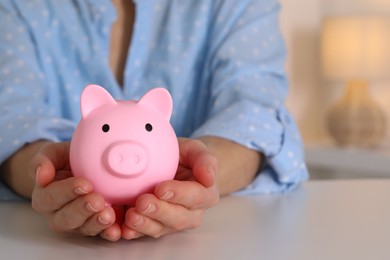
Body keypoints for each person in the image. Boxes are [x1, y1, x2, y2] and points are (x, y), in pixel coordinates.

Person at [0, 0, 308, 241]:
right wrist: (45, 174)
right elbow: (9, 118)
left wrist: (203, 173)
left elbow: (255, 109)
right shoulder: (16, 6)